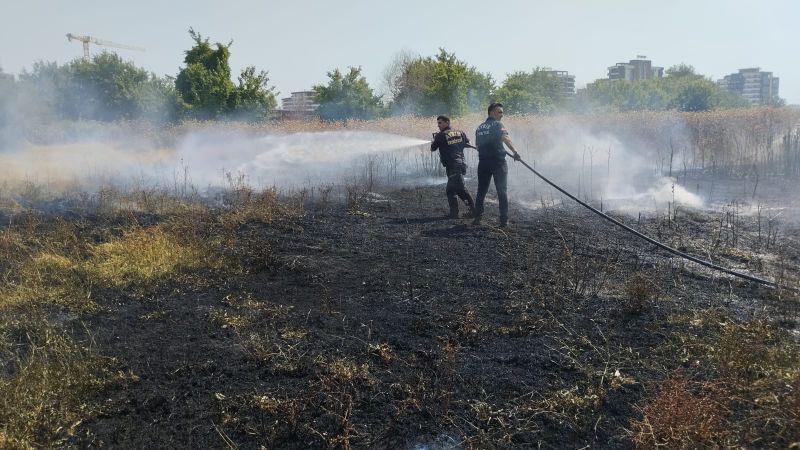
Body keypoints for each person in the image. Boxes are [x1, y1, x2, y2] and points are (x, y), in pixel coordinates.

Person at [473, 103, 521, 228]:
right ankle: (503, 220)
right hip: (498, 163)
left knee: (481, 190)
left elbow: (478, 147)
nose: (502, 115)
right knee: (502, 191)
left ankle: (477, 217)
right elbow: (506, 138)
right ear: (492, 113)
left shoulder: (480, 127)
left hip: (483, 163)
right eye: (499, 112)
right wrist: (515, 152)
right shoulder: (498, 124)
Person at [431, 115, 476, 219]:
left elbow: (433, 148)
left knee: (458, 190)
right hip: (460, 164)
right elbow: (467, 143)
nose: (438, 125)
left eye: (440, 123)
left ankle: (473, 211)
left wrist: (434, 140)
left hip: (452, 165)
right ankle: (455, 213)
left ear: (447, 122)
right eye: (438, 123)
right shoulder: (460, 132)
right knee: (453, 190)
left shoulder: (440, 135)